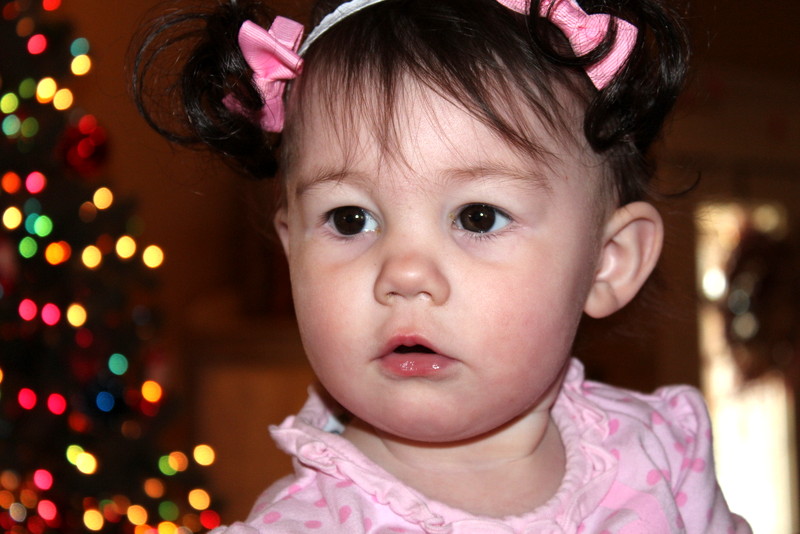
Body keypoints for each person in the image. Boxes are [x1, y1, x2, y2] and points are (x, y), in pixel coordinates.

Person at [132, 0, 752, 531]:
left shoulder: (665, 458)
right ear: (292, 251)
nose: (403, 274)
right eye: (350, 219)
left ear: (608, 263)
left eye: (478, 217)